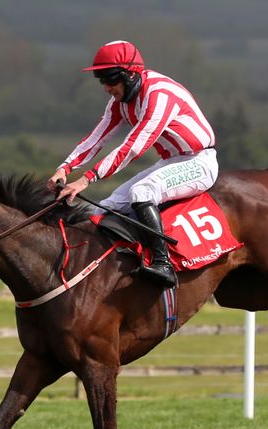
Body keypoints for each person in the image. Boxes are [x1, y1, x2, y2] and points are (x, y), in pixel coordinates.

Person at [48, 40, 218, 288]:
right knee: (102, 210)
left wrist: (86, 179)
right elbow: (96, 138)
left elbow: (134, 146)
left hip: (199, 161)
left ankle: (163, 264)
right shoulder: (120, 102)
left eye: (110, 79)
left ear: (130, 75)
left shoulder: (160, 95)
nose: (106, 87)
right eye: (101, 80)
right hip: (171, 161)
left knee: (142, 191)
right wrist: (63, 168)